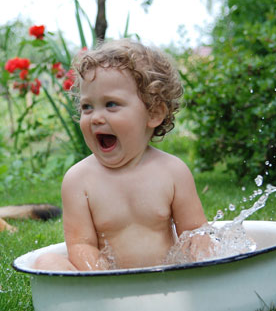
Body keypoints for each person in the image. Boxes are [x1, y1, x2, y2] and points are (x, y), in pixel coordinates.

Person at [35, 39, 207, 271]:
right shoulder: (79, 180)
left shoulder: (172, 172)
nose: (95, 117)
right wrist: (102, 278)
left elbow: (195, 234)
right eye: (87, 107)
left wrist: (205, 265)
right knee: (47, 262)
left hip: (165, 277)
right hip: (109, 283)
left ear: (153, 113)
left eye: (111, 104)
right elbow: (81, 245)